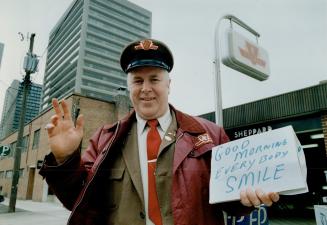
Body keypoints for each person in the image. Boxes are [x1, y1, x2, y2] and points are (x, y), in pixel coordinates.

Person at [39, 39, 279, 225]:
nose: (145, 89)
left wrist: (247, 199)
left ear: (168, 84)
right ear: (129, 85)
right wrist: (65, 159)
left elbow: (231, 201)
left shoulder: (211, 135)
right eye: (137, 81)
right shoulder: (105, 138)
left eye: (154, 79)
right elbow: (79, 201)